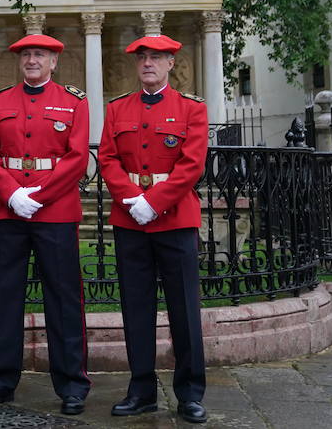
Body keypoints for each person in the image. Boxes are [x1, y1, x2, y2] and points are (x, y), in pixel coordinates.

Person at [0, 34, 91, 416]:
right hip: (10, 211)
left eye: (39, 55)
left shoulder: (74, 101)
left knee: (63, 299)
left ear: (54, 62)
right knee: (6, 298)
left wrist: (36, 197)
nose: (32, 60)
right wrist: (11, 194)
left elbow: (76, 159)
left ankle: (72, 383)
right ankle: (1, 381)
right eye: (26, 55)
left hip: (54, 211)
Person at [97, 35, 209, 423]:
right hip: (131, 219)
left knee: (185, 311)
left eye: (156, 58)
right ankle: (141, 389)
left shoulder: (191, 108)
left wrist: (154, 202)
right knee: (136, 308)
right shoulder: (117, 109)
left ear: (170, 65)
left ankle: (190, 393)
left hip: (175, 219)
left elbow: (192, 164)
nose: (148, 63)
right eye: (142, 58)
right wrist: (134, 200)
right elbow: (108, 159)